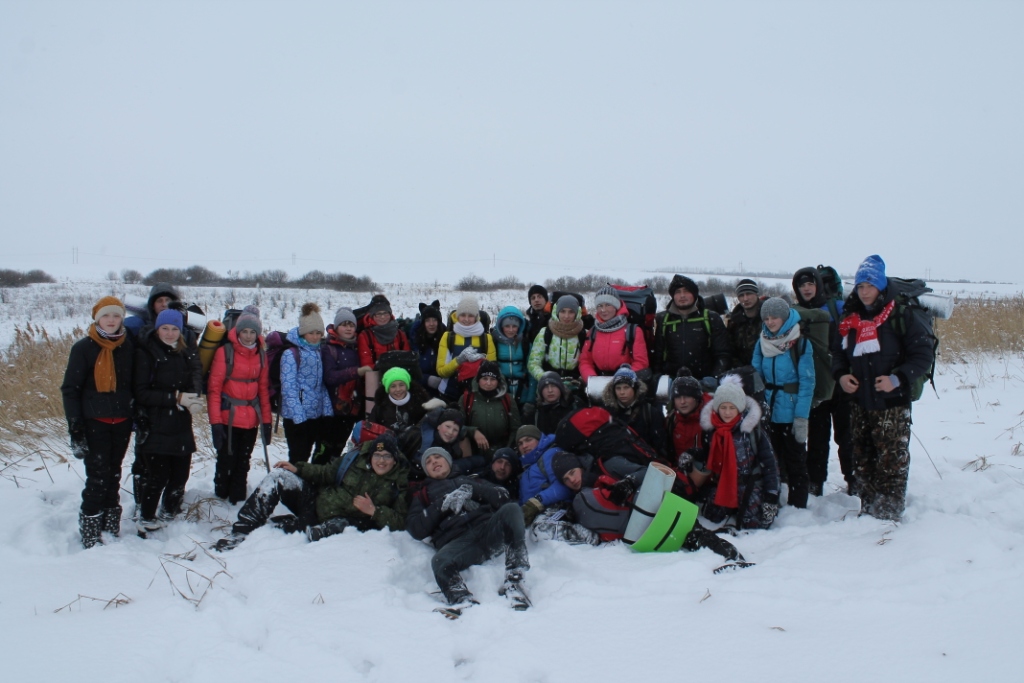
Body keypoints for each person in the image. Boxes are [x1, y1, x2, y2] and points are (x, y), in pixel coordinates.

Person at [833, 255, 934, 521]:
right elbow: (838, 353)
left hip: (892, 403)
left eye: (869, 285)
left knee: (892, 460)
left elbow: (923, 355)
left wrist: (897, 378)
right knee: (863, 458)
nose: (864, 292)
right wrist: (842, 375)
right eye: (860, 286)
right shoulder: (850, 317)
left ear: (880, 286)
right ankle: (868, 510)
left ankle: (889, 516)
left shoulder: (901, 314)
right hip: (859, 401)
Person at [215, 433, 409, 550]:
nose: (381, 461)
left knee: (302, 532)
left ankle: (277, 529)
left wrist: (374, 511)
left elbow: (400, 521)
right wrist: (298, 469)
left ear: (394, 459)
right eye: (377, 455)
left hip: (338, 523)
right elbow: (326, 473)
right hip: (316, 500)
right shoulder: (354, 460)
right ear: (371, 455)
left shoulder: (399, 482)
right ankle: (242, 531)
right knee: (279, 477)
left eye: (387, 456)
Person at [552, 451, 744, 560]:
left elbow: (650, 473)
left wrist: (628, 482)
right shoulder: (584, 497)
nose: (572, 480)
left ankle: (728, 556)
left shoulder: (609, 465)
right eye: (566, 479)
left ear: (580, 467)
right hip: (643, 530)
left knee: (691, 534)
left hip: (661, 505)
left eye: (572, 472)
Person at [406, 447, 531, 612]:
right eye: (428, 462)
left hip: (488, 531)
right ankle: (461, 599)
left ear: (448, 461)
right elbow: (416, 529)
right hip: (460, 544)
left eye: (437, 457)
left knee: (512, 510)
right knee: (439, 561)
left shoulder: (472, 479)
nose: (433, 462)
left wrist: (473, 491)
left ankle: (515, 580)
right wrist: (442, 504)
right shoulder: (422, 495)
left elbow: (503, 497)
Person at [61, 296, 136, 548]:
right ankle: (91, 530)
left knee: (114, 473)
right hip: (95, 422)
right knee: (97, 476)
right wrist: (76, 425)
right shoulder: (84, 348)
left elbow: (136, 385)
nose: (112, 320)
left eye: (116, 315)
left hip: (123, 421)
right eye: (107, 315)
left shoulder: (129, 347)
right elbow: (70, 389)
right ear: (97, 318)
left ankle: (110, 525)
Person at [132, 308, 203, 536]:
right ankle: (146, 517)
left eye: (174, 329)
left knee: (181, 474)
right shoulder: (146, 353)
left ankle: (169, 512)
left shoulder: (185, 352)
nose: (170, 333)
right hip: (155, 423)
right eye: (165, 328)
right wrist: (175, 398)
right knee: (158, 476)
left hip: (181, 421)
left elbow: (194, 377)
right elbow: (141, 393)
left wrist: (194, 397)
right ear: (157, 328)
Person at [793, 266, 853, 495]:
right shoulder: (795, 312)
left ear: (818, 285)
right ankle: (815, 482)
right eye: (802, 285)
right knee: (817, 437)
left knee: (846, 436)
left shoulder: (837, 308)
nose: (806, 289)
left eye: (810, 284)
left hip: (840, 383)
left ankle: (853, 480)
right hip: (815, 386)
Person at [751, 297, 814, 509]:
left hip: (791, 408)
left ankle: (798, 505)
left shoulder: (801, 343)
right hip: (768, 408)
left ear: (785, 317)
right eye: (766, 318)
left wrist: (801, 417)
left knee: (796, 460)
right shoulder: (762, 341)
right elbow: (755, 375)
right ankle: (772, 500)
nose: (769, 322)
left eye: (774, 317)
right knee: (770, 459)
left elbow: (807, 382)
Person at [206, 305, 272, 504]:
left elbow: (263, 391)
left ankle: (238, 498)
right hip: (229, 417)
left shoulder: (261, 355)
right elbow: (214, 390)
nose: (249, 336)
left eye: (253, 332)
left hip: (251, 419)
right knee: (226, 460)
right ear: (238, 330)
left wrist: (266, 422)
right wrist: (215, 423)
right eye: (245, 331)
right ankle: (220, 498)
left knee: (244, 461)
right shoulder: (225, 352)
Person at [698, 380, 780, 530]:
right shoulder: (712, 431)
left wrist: (771, 495)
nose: (727, 412)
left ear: (740, 408)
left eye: (732, 408)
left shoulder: (752, 430)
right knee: (711, 517)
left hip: (749, 484)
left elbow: (770, 463)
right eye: (723, 407)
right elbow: (706, 457)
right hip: (722, 482)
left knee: (753, 525)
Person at [279, 303, 334, 464]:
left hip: (315, 415)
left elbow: (320, 385)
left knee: (311, 457)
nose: (316, 337)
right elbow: (288, 388)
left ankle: (307, 487)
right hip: (297, 418)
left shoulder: (318, 352)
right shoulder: (290, 354)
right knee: (298, 458)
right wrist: (299, 418)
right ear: (303, 332)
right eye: (311, 333)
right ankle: (294, 488)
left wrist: (327, 412)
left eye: (319, 333)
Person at [653, 274, 731, 382]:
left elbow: (723, 353)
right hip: (672, 381)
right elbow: (658, 355)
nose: (682, 295)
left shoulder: (710, 318)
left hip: (704, 382)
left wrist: (715, 378)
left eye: (686, 291)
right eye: (678, 292)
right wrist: (658, 378)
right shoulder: (664, 320)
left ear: (694, 294)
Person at [320, 307, 366, 461]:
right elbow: (330, 377)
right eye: (344, 324)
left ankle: (329, 480)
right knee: (323, 450)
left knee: (337, 450)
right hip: (332, 410)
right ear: (336, 327)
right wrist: (355, 372)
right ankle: (315, 479)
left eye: (351, 325)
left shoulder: (356, 347)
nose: (348, 328)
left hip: (351, 409)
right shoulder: (329, 348)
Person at [578, 286, 649, 384]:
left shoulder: (633, 330)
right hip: (598, 382)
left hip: (624, 386)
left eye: (608, 305)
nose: (603, 310)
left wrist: (622, 381)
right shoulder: (593, 331)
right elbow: (585, 361)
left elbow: (641, 362)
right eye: (600, 306)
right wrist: (592, 379)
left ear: (616, 306)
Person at [369, 367, 445, 455]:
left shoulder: (419, 401)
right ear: (388, 389)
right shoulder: (381, 405)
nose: (398, 389)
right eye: (393, 386)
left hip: (415, 447)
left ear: (407, 386)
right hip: (389, 449)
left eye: (401, 385)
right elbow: (372, 427)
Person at [436, 295, 497, 400]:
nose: (467, 319)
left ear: (476, 317)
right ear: (457, 316)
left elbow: (493, 373)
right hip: (450, 394)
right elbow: (441, 372)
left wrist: (483, 361)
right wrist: (459, 360)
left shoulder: (486, 339)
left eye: (471, 315)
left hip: (478, 395)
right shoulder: (448, 337)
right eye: (463, 315)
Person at [457, 361, 522, 460]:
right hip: (473, 453)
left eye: (492, 379)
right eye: (485, 379)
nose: (488, 383)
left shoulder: (507, 399)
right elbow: (457, 426)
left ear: (498, 381)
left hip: (501, 453)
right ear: (478, 380)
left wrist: (507, 450)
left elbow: (515, 428)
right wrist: (473, 431)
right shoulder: (466, 399)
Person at [601, 365, 666, 459]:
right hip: (615, 461)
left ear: (635, 388)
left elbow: (659, 446)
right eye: (618, 388)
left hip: (645, 461)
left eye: (626, 387)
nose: (622, 392)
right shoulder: (607, 413)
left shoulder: (650, 412)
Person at [527, 294, 587, 390]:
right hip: (549, 388)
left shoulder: (584, 335)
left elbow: (588, 362)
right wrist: (546, 379)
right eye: (563, 311)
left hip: (577, 387)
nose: (566, 316)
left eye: (571, 312)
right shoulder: (545, 333)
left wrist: (582, 379)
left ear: (577, 313)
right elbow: (533, 363)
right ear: (556, 311)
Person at [409, 407, 475, 480]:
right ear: (438, 426)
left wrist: (474, 431)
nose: (450, 432)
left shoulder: (456, 447)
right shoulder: (419, 439)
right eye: (447, 426)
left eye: (455, 430)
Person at [492, 305, 535, 411]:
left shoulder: (525, 344)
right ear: (501, 326)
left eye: (514, 326)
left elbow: (531, 372)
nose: (511, 330)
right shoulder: (494, 342)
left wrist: (530, 399)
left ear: (520, 326)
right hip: (500, 392)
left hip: (523, 392)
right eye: (507, 326)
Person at [357, 297, 411, 371]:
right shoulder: (365, 336)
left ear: (390, 314)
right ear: (372, 315)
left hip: (398, 377)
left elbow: (407, 360)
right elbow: (366, 366)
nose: (382, 317)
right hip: (376, 377)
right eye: (379, 314)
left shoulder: (400, 334)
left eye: (385, 313)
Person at [408, 300, 446, 397]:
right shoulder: (414, 340)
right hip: (418, 391)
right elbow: (409, 370)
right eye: (428, 320)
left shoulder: (446, 339)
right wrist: (426, 379)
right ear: (423, 323)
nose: (431, 324)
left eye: (434, 320)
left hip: (442, 390)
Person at [726, 279, 765, 367]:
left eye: (749, 294)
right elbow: (730, 349)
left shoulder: (768, 317)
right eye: (741, 295)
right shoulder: (734, 321)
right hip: (742, 370)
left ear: (756, 294)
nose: (745, 298)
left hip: (766, 369)